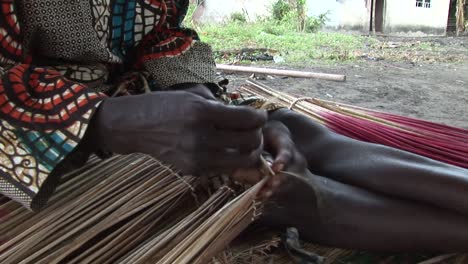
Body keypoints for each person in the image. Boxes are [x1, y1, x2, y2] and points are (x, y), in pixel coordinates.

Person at [0, 0, 467, 253]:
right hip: (44, 143)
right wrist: (105, 123)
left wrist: (207, 106)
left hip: (133, 94)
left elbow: (162, 37)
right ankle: (311, 207)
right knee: (260, 193)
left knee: (297, 132)